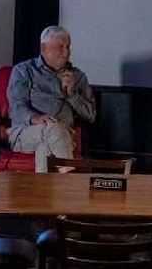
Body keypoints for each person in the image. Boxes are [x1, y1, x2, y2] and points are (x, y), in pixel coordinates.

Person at [6, 25, 98, 171]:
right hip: (26, 132)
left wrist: (72, 93)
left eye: (68, 47)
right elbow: (16, 106)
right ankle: (69, 184)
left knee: (45, 149)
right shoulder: (24, 70)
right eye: (60, 47)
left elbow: (90, 115)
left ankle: (44, 193)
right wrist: (35, 117)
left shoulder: (77, 76)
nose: (66, 52)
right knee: (53, 129)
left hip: (64, 136)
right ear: (43, 48)